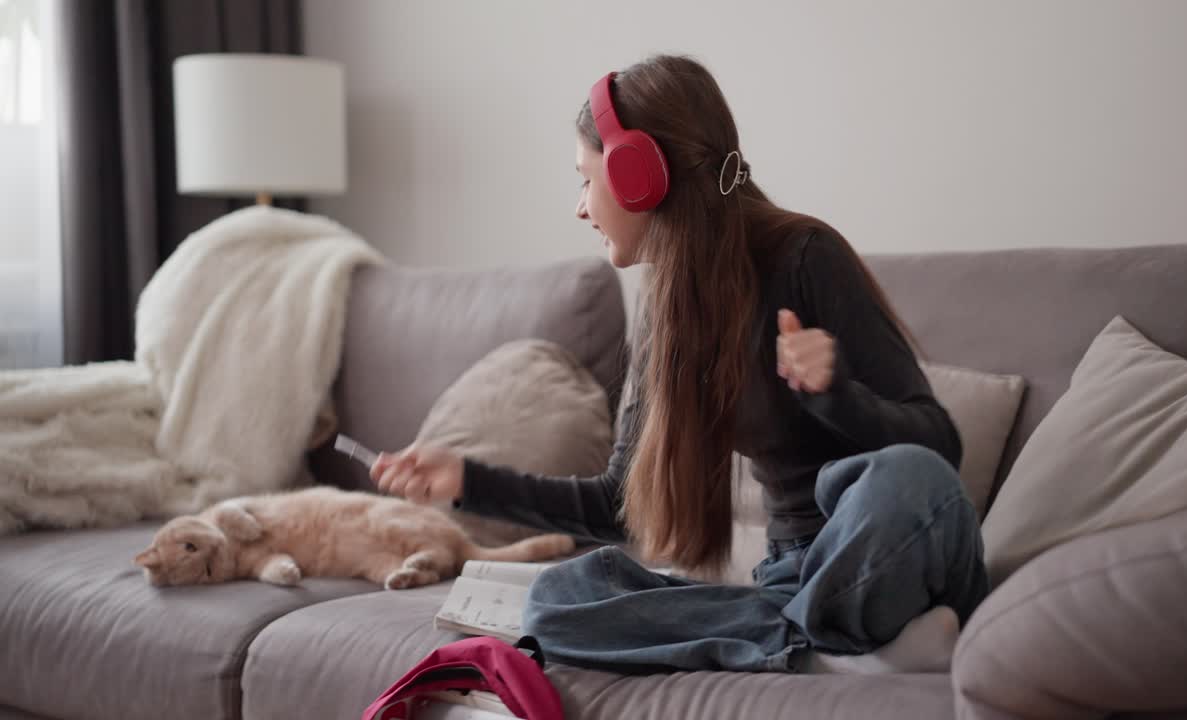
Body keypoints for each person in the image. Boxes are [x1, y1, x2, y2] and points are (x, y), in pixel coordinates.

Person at [371, 54, 988, 675]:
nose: (581, 207)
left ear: (638, 175)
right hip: (790, 581)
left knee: (907, 478)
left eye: (587, 179)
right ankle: (830, 648)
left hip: (885, 552)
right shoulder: (666, 313)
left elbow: (938, 450)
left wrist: (836, 395)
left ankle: (809, 640)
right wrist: (466, 481)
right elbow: (620, 503)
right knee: (561, 599)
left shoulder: (806, 255)